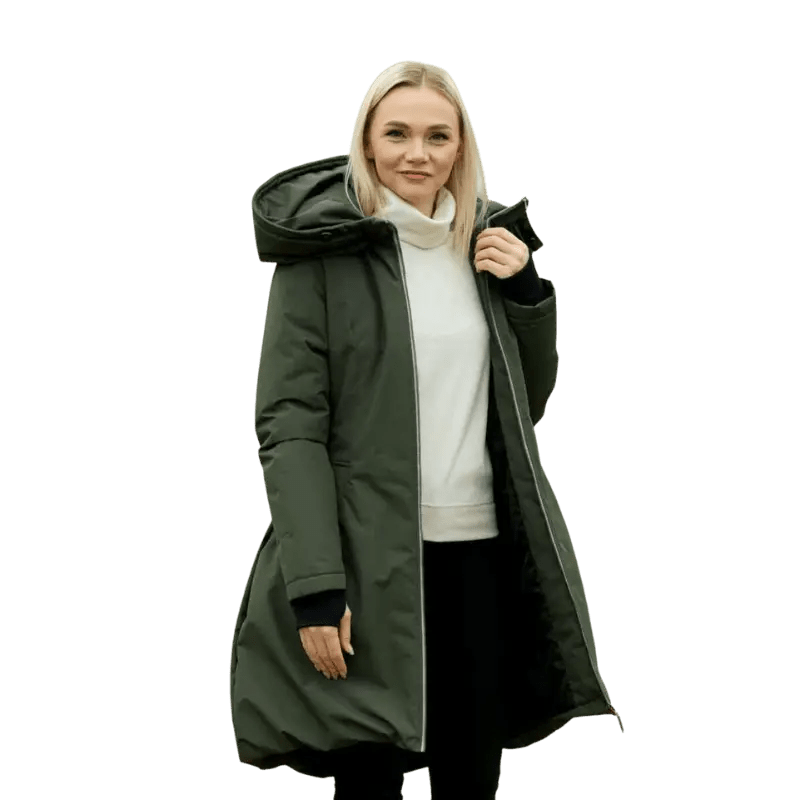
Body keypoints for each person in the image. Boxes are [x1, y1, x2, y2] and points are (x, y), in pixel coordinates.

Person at [230, 60, 624, 800]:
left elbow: (525, 407)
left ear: (461, 145)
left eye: (438, 135)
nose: (418, 153)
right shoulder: (324, 255)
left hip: (479, 559)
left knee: (471, 779)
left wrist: (527, 294)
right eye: (397, 133)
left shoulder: (486, 245)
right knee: (369, 782)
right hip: (366, 562)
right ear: (366, 143)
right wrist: (315, 587)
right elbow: (290, 427)